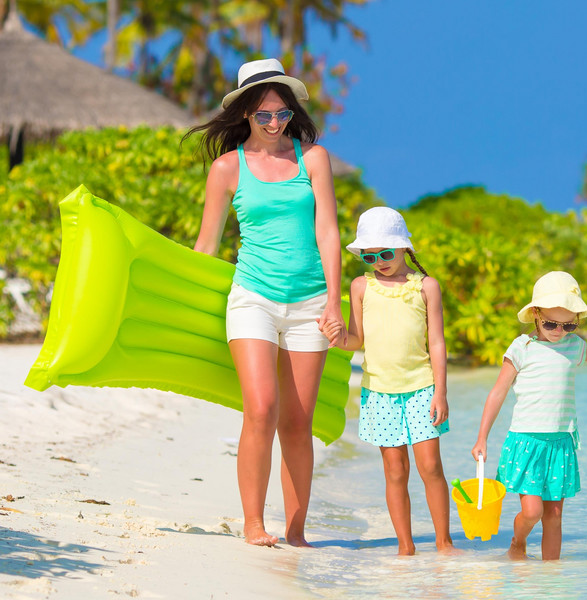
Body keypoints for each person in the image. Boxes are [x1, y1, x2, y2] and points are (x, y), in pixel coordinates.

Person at [188, 58, 344, 547]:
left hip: (310, 303)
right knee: (261, 408)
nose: (275, 123)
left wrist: (334, 303)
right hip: (252, 296)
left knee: (298, 423)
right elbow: (206, 244)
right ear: (245, 117)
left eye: (282, 113)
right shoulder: (226, 168)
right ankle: (253, 524)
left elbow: (328, 232)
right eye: (264, 116)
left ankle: (296, 532)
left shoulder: (313, 159)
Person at [472, 271, 587, 560]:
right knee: (532, 511)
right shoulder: (522, 348)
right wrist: (482, 437)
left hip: (560, 443)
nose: (559, 331)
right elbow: (498, 392)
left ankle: (552, 579)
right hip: (528, 442)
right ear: (535, 314)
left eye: (569, 325)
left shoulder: (573, 347)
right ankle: (517, 542)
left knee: (554, 516)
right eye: (550, 324)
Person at [336, 207, 458, 556]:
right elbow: (355, 339)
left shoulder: (426, 287)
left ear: (405, 248)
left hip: (422, 388)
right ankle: (406, 547)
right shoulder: (361, 286)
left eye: (386, 253)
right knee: (394, 470)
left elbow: (436, 342)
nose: (379, 261)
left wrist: (441, 392)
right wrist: (336, 335)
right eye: (370, 255)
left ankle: (443, 542)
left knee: (431, 466)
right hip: (379, 393)